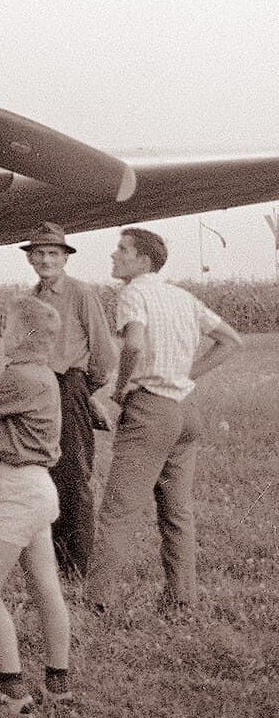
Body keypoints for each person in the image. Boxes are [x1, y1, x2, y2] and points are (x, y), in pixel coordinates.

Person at [86, 226, 246, 613]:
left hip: (150, 408)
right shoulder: (183, 296)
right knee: (177, 512)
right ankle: (181, 598)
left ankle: (97, 602)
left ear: (143, 260)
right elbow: (231, 340)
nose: (113, 255)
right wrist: (188, 374)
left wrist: (122, 389)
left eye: (121, 249)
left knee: (118, 511)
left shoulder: (133, 293)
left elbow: (135, 343)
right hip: (185, 410)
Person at [0, 296, 74, 718]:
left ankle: (14, 695)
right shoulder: (43, 376)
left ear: (24, 335)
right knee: (45, 586)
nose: (2, 335)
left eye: (6, 328)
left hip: (16, 488)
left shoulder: (20, 377)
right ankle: (57, 683)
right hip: (38, 489)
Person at [18, 222, 116, 581]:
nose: (46, 260)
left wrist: (82, 391)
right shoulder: (33, 298)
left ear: (65, 258)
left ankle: (76, 568)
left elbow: (104, 352)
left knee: (73, 475)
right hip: (38, 390)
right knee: (44, 472)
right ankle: (55, 561)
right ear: (30, 258)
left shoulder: (79, 293)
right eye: (39, 253)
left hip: (69, 385)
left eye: (53, 254)